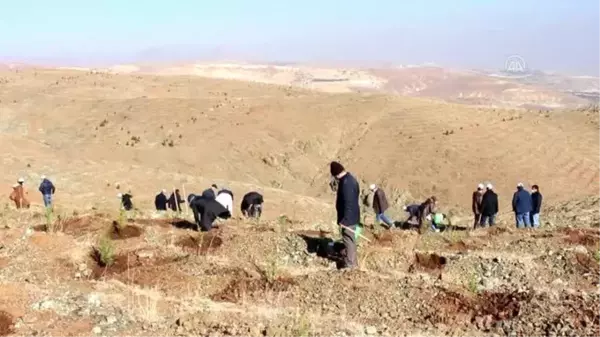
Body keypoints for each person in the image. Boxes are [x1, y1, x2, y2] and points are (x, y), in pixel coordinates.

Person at [330, 161, 360, 269]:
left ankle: (350, 265)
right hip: (351, 217)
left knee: (348, 240)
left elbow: (349, 203)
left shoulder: (346, 183)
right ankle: (352, 262)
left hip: (349, 219)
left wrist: (345, 220)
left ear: (336, 174)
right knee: (349, 240)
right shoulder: (350, 179)